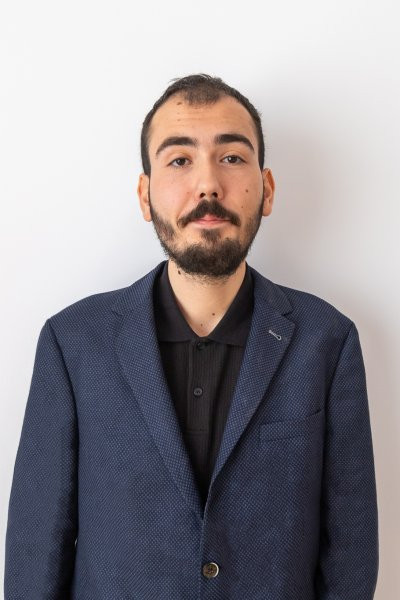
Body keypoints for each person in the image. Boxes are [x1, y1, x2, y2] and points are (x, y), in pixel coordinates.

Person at [4, 73, 379, 599]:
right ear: (145, 194)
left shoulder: (327, 343)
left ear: (267, 189)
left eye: (231, 157)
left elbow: (350, 556)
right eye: (180, 160)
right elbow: (34, 556)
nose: (208, 185)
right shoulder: (72, 345)